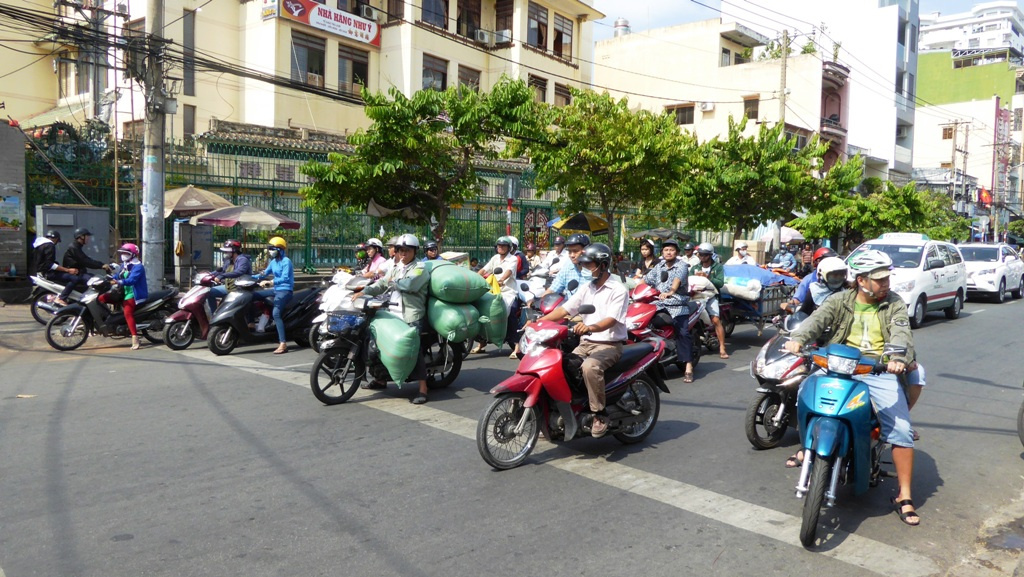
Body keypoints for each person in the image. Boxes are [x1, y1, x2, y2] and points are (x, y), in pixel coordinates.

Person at [784, 249, 920, 527]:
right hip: (838, 364)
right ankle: (807, 445)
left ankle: (904, 495)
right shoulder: (839, 301)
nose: (886, 284)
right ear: (861, 280)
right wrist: (798, 338)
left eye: (886, 279)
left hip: (877, 368)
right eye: (879, 280)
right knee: (803, 394)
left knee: (902, 430)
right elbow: (815, 321)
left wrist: (897, 359)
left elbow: (901, 332)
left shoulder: (894, 304)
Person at [534, 243, 629, 438]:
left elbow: (611, 320)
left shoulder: (618, 289)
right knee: (559, 366)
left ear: (602, 265)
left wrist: (590, 327)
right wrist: (538, 322)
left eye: (590, 265)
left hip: (609, 344)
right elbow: (565, 310)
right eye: (584, 265)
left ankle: (600, 414)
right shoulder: (587, 288)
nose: (586, 269)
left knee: (589, 367)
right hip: (586, 343)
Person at [353, 234, 433, 404]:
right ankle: (381, 379)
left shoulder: (419, 267)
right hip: (393, 313)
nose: (403, 253)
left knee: (414, 351)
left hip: (412, 315)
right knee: (376, 344)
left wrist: (393, 282)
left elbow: (410, 284)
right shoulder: (396, 267)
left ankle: (423, 388)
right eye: (400, 250)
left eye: (407, 250)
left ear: (415, 251)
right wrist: (364, 291)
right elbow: (382, 283)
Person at [643, 239, 694, 382]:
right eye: (666, 250)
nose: (668, 252)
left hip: (678, 304)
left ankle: (688, 365)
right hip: (659, 304)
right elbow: (646, 280)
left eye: (671, 250)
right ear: (662, 252)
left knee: (683, 333)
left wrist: (671, 291)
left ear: (676, 252)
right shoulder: (659, 266)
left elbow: (678, 280)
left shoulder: (682, 265)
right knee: (646, 325)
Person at [477, 236, 521, 356]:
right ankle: (481, 342)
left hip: (508, 293)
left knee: (511, 313)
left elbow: (509, 271)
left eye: (503, 246)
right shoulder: (495, 258)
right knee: (481, 310)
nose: (500, 248)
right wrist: (474, 277)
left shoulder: (513, 259)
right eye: (499, 246)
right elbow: (485, 269)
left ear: (509, 248)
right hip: (494, 291)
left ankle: (516, 345)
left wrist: (501, 280)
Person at [101, 243, 148, 350]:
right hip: (122, 292)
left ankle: (135, 338)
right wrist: (109, 278)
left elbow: (132, 280)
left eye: (126, 253)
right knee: (101, 299)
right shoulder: (124, 265)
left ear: (133, 255)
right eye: (122, 253)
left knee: (127, 312)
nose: (123, 255)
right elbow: (118, 275)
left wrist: (117, 281)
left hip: (133, 294)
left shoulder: (138, 267)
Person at [254, 236, 295, 355]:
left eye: (273, 248)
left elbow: (285, 278)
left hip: (285, 290)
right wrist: (251, 277)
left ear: (280, 249)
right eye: (270, 248)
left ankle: (283, 343)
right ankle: (252, 324)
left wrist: (270, 282)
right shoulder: (273, 262)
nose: (271, 251)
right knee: (253, 296)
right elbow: (264, 273)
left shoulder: (286, 261)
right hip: (275, 289)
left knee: (276, 313)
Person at [690, 242, 729, 359]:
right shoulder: (694, 267)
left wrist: (707, 278)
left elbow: (720, 283)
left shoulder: (718, 267)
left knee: (716, 320)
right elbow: (689, 280)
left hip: (711, 296)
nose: (702, 257)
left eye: (705, 255)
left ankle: (722, 347)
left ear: (710, 255)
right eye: (700, 254)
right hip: (696, 295)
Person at [58, 228, 112, 303]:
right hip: (76, 274)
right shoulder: (74, 247)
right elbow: (85, 261)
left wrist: (101, 264)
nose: (88, 238)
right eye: (87, 236)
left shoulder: (76, 247)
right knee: (95, 281)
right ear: (81, 237)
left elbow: (86, 259)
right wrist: (101, 266)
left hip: (79, 272)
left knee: (95, 278)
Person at [781, 247, 837, 313]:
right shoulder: (809, 279)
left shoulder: (839, 279)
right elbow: (798, 299)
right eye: (828, 260)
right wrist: (790, 304)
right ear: (818, 261)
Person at [32, 230, 80, 306]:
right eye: (57, 241)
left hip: (40, 272)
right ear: (55, 239)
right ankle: (61, 298)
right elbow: (50, 264)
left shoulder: (39, 245)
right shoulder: (50, 245)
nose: (56, 243)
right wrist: (67, 270)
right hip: (47, 273)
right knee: (74, 279)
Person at [207, 239, 252, 313]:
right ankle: (214, 315)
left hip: (241, 289)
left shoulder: (243, 260)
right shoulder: (229, 260)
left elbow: (239, 272)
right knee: (210, 292)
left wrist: (222, 276)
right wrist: (208, 275)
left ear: (234, 250)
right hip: (229, 286)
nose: (225, 253)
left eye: (227, 251)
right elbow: (221, 270)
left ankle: (250, 320)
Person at [543, 233, 590, 299]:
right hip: (567, 308)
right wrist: (538, 301)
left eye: (576, 251)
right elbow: (553, 289)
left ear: (586, 250)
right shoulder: (567, 268)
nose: (572, 255)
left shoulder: (596, 270)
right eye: (570, 252)